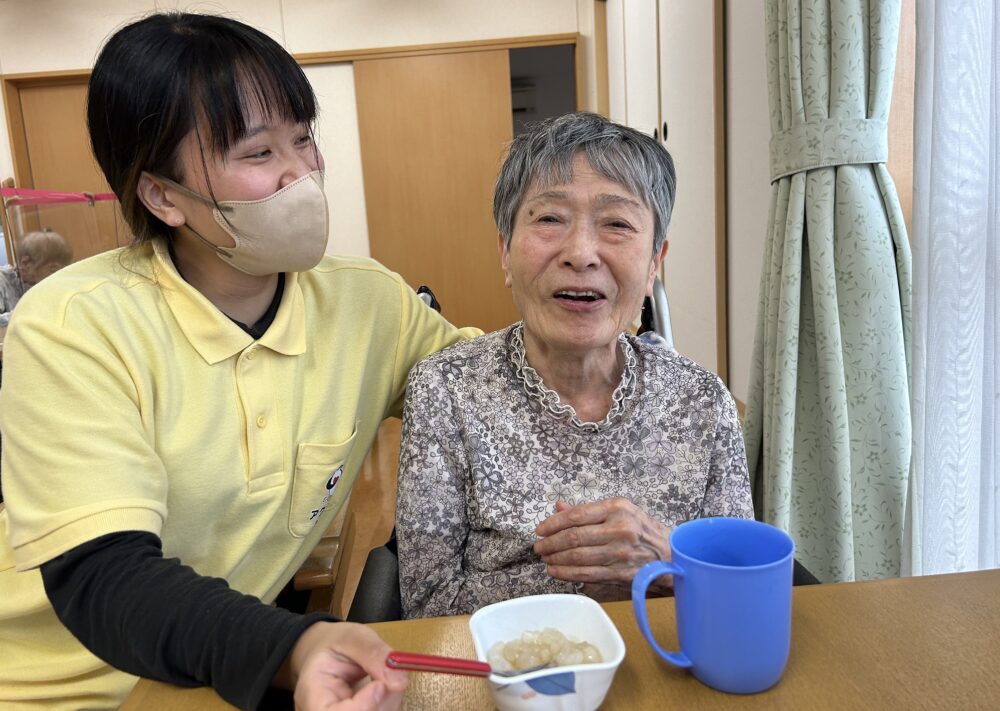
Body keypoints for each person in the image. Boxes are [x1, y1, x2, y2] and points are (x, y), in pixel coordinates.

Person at [0, 12, 478, 710]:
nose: (302, 175)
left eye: (304, 140)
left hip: (221, 667)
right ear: (162, 195)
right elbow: (103, 576)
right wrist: (289, 644)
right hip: (58, 687)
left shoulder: (367, 300)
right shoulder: (75, 324)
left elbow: (490, 386)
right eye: (258, 154)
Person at [396, 112, 753, 619]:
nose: (581, 253)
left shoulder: (702, 400)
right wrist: (591, 581)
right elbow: (427, 607)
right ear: (504, 250)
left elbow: (740, 595)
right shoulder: (446, 389)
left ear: (654, 263)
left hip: (672, 668)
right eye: (549, 219)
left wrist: (669, 561)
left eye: (617, 224)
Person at [0, 229, 73, 327]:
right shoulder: (3, 280)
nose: (59, 276)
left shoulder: (38, 283)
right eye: (53, 270)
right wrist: (32, 310)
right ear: (25, 263)